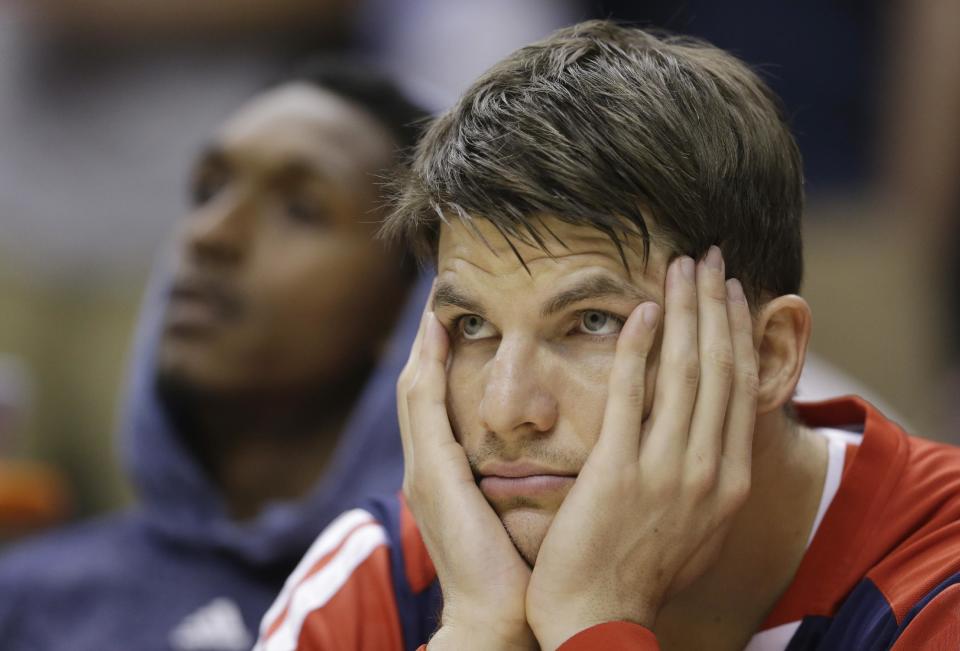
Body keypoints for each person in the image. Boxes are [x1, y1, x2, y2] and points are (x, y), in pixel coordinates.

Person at [254, 22, 960, 651]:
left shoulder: (938, 579)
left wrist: (593, 618)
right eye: (474, 327)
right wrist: (473, 632)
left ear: (768, 355)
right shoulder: (383, 579)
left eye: (592, 321)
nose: (507, 409)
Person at [0, 60, 429, 650]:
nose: (209, 234)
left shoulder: (470, 617)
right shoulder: (30, 600)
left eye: (300, 208)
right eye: (206, 191)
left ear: (411, 307)